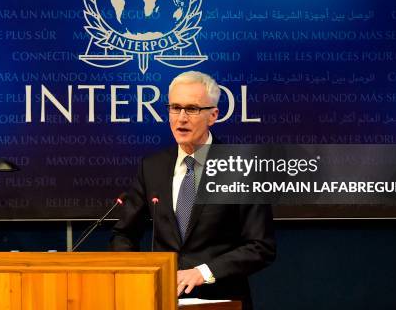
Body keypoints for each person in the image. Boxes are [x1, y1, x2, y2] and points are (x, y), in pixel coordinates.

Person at [110, 71, 275, 309]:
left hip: (221, 301)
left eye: (192, 109)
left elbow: (261, 246)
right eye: (175, 108)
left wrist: (203, 272)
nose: (181, 118)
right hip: (160, 300)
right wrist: (137, 275)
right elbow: (123, 234)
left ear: (213, 116)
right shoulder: (152, 167)